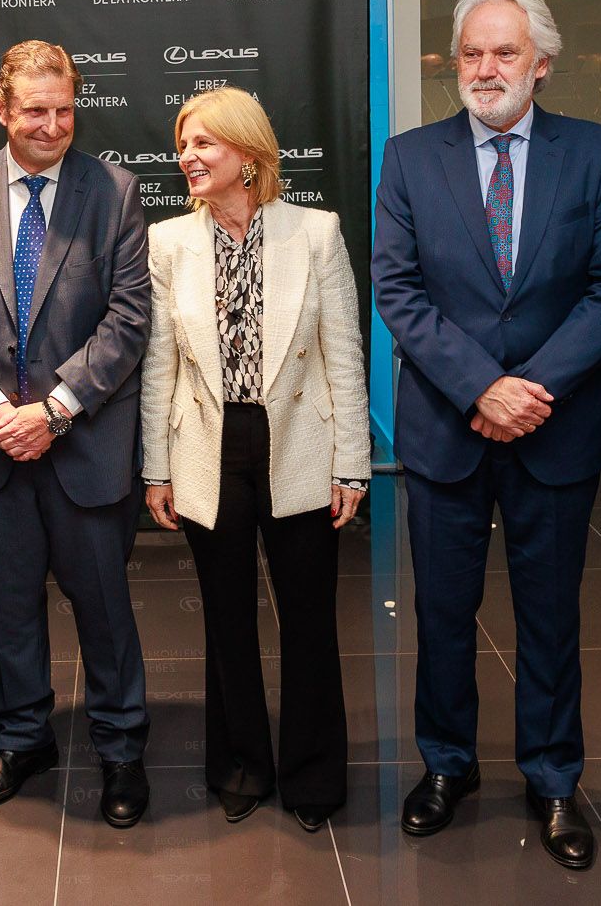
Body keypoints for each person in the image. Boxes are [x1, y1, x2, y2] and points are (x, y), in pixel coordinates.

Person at [371, 0, 601, 871]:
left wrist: (531, 389)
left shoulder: (596, 152)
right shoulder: (410, 157)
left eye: (505, 51)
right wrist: (483, 387)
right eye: (471, 52)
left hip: (555, 429)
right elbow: (398, 289)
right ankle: (446, 764)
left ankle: (554, 776)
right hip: (448, 428)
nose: (485, 68)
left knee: (551, 615)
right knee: (445, 612)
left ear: (542, 62)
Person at [0, 39, 153, 828]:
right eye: (35, 111)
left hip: (83, 444)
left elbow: (128, 319)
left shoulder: (114, 190)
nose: (51, 125)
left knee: (105, 610)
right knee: (11, 608)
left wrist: (53, 411)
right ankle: (23, 739)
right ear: (1, 108)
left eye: (64, 110)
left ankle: (120, 747)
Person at [139, 87, 369, 832]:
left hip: (298, 440)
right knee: (226, 617)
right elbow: (160, 365)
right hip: (208, 445)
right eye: (183, 144)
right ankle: (241, 764)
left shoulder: (315, 231)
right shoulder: (168, 241)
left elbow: (343, 353)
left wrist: (352, 462)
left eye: (203, 142)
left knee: (309, 617)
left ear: (248, 151)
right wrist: (156, 467)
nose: (188, 156)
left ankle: (313, 774)